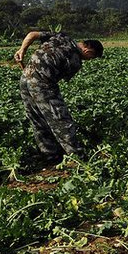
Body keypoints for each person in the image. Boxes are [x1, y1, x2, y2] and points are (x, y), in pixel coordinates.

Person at [14, 30, 103, 165]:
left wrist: (22, 50)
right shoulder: (75, 60)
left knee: (37, 118)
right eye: (91, 58)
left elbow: (32, 34)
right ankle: (78, 157)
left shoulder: (62, 36)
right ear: (88, 52)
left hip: (25, 78)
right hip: (42, 84)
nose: (88, 59)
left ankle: (50, 155)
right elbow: (54, 79)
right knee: (60, 119)